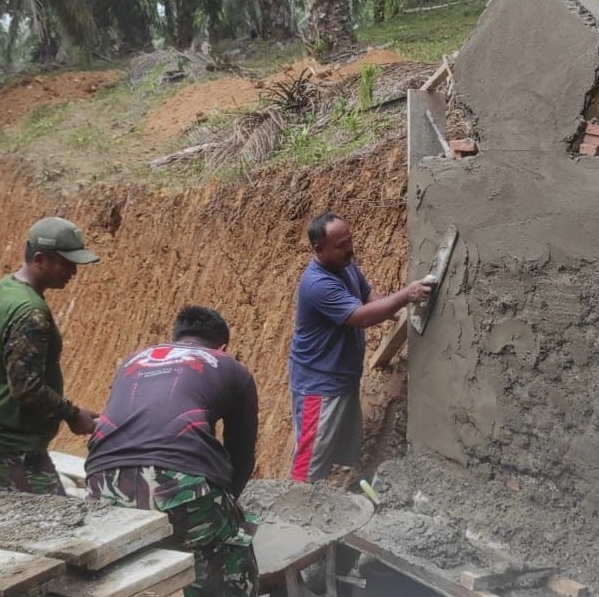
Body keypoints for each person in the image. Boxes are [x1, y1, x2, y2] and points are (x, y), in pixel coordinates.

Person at [86, 306, 260, 597]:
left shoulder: (133, 361)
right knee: (228, 567)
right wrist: (223, 510)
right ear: (223, 347)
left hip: (101, 484)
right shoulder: (228, 366)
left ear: (176, 339)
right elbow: (240, 458)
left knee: (135, 569)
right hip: (181, 480)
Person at [289, 211, 432, 483]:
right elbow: (359, 317)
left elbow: (366, 294)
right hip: (318, 387)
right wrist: (406, 296)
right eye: (341, 245)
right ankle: (296, 517)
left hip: (340, 380)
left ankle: (319, 503)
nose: (349, 248)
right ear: (319, 249)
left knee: (331, 454)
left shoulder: (345, 265)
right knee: (307, 467)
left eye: (349, 240)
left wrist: (397, 316)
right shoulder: (317, 284)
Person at [0, 217, 102, 495]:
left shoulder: (4, 290)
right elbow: (25, 386)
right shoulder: (31, 312)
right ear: (40, 259)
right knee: (55, 527)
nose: (73, 271)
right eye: (66, 263)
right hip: (10, 448)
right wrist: (73, 415)